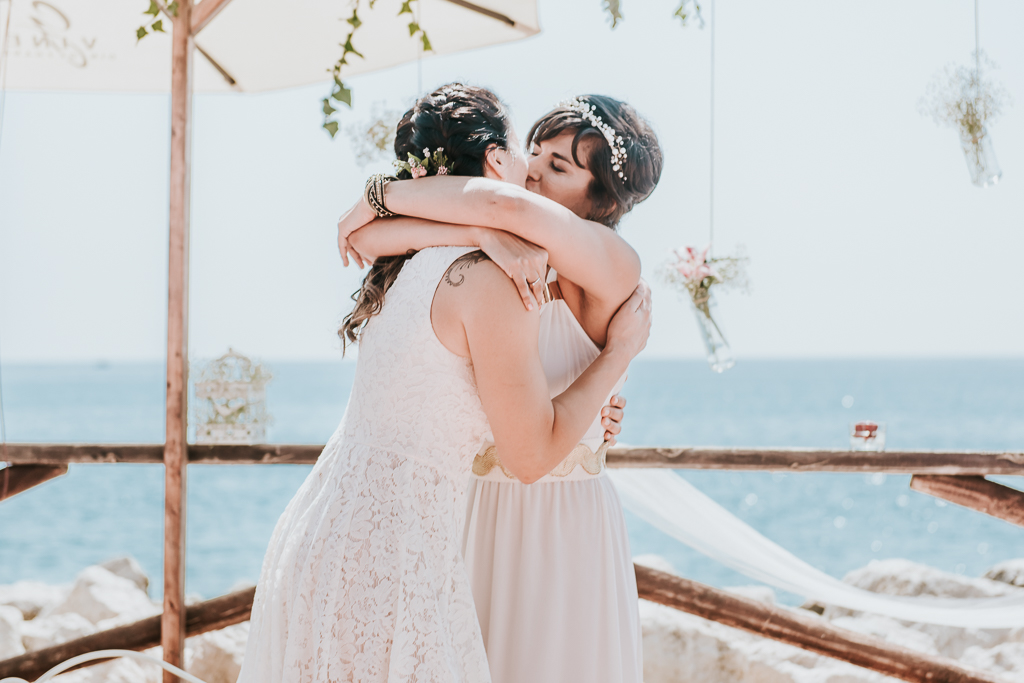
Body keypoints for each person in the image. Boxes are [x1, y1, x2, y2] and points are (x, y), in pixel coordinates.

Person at [237, 84, 651, 683]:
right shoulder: (509, 257)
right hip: (474, 504)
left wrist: (380, 193)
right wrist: (479, 234)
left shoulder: (611, 259)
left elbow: (491, 209)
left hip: (556, 516)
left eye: (557, 165)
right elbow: (374, 238)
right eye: (532, 151)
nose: (532, 171)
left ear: (603, 200)